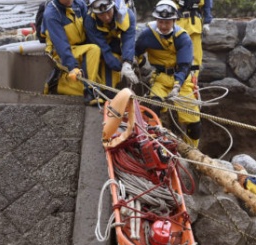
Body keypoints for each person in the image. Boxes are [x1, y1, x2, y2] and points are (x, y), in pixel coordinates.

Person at [135, 0, 201, 148]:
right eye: (161, 21)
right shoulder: (147, 35)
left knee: (195, 125)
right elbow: (136, 51)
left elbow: (184, 65)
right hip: (160, 79)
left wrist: (177, 85)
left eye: (167, 22)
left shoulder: (182, 37)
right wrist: (135, 63)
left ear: (174, 20)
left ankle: (191, 151)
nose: (164, 26)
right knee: (152, 109)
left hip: (182, 81)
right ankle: (154, 147)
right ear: (156, 19)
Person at [41, 0, 102, 105]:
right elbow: (61, 45)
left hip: (81, 48)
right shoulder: (51, 14)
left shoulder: (80, 4)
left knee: (103, 84)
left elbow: (90, 30)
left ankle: (62, 86)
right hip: (61, 53)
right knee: (93, 49)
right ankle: (89, 92)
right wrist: (72, 66)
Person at [85, 0, 139, 99]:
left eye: (108, 12)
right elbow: (104, 50)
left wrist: (127, 63)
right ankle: (108, 90)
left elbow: (128, 40)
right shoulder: (89, 20)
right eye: (101, 15)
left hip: (114, 40)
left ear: (114, 7)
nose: (106, 17)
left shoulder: (128, 15)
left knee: (134, 53)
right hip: (96, 45)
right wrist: (120, 66)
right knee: (109, 62)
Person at [173, 0, 212, 82]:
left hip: (194, 24)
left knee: (195, 59)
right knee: (174, 55)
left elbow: (207, 3)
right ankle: (175, 83)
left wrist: (207, 21)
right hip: (177, 23)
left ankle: (193, 83)